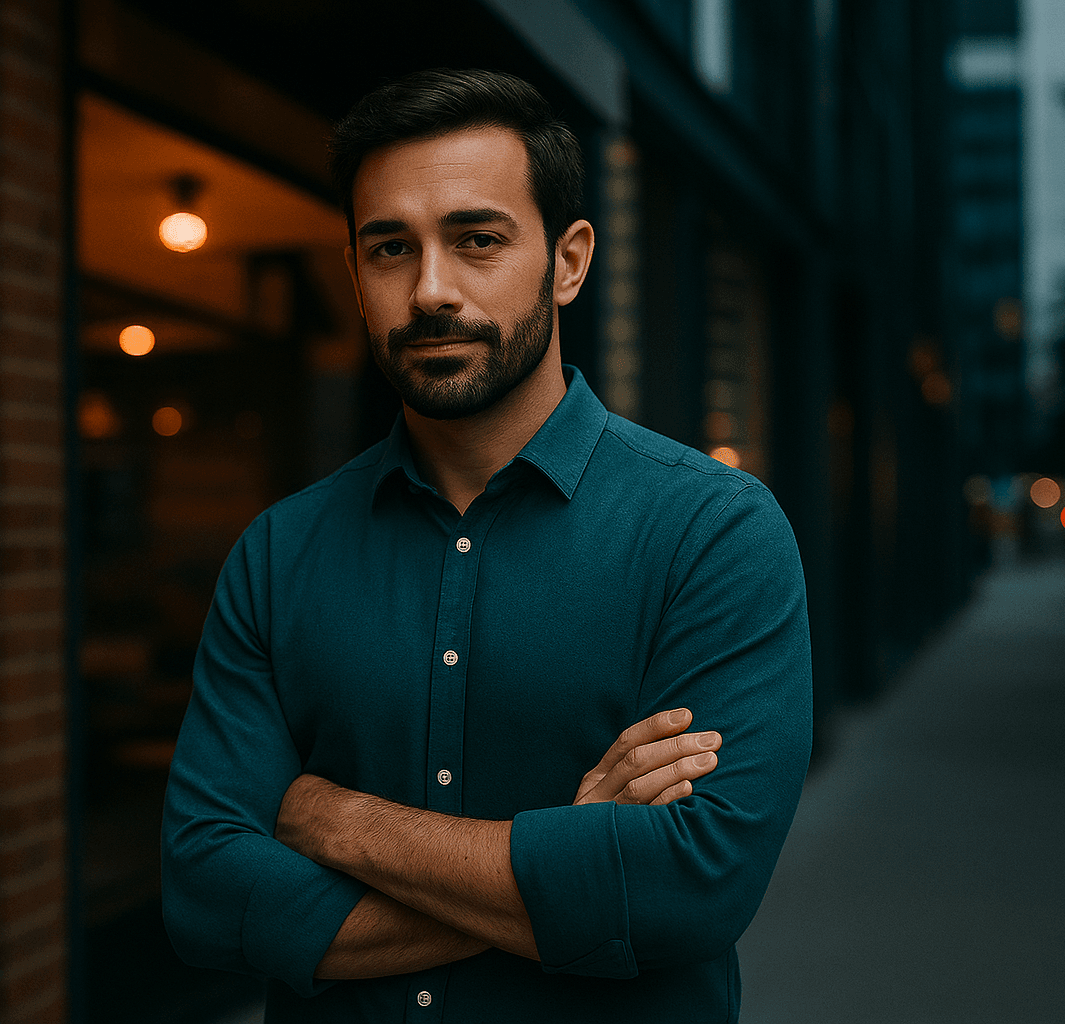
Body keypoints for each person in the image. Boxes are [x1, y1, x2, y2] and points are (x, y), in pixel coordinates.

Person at [162, 68, 813, 1022]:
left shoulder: (712, 533)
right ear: (356, 275)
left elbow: (689, 886)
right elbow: (208, 896)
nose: (430, 290)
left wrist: (334, 820)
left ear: (569, 262)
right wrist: (572, 868)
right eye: (391, 248)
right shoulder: (278, 552)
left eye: (477, 240)